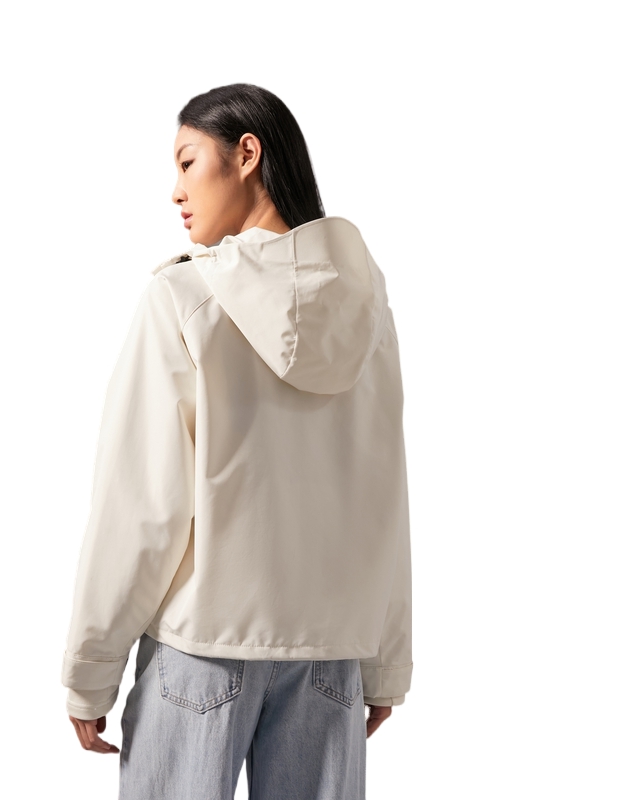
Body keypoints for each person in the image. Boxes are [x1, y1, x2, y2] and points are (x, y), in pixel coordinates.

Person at [61, 83, 412, 799]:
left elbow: (142, 506)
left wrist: (90, 670)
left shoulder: (182, 299)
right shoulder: (365, 304)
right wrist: (385, 664)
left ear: (247, 154)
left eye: (188, 162)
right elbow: (383, 493)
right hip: (330, 661)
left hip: (201, 656)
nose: (175, 191)